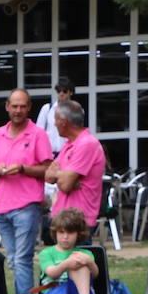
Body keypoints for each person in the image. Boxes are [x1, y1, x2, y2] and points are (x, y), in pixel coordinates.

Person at [0, 88, 53, 294]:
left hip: (27, 205)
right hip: (3, 206)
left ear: (29, 107)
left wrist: (23, 168)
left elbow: (48, 169)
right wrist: (0, 170)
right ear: (7, 107)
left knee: (22, 259)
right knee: (14, 260)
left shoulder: (38, 134)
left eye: (22, 106)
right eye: (14, 106)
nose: (18, 110)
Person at [46, 99, 106, 234]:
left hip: (78, 223)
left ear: (64, 121)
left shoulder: (87, 144)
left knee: (78, 256)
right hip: (62, 219)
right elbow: (48, 176)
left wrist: (61, 176)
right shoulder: (69, 144)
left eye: (55, 119)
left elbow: (66, 185)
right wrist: (64, 176)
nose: (54, 124)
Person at [36, 77, 74, 155]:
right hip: (49, 155)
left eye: (65, 91)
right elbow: (38, 133)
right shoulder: (47, 108)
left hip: (67, 154)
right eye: (59, 91)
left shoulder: (75, 111)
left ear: (71, 92)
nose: (61, 93)